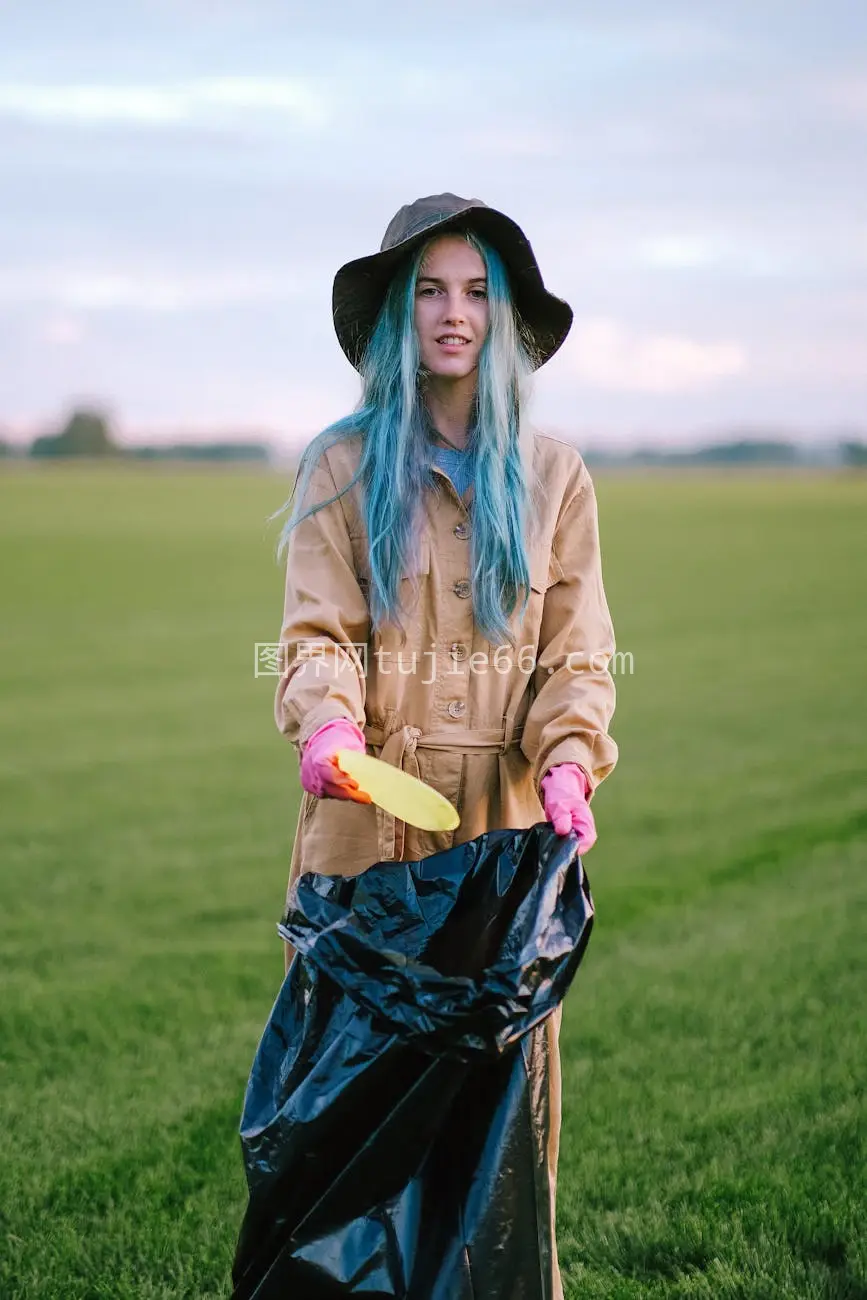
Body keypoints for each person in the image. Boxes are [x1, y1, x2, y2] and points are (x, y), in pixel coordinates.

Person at [271, 192, 619, 1298]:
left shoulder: (556, 477)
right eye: (430, 290)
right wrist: (328, 722)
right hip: (363, 840)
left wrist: (569, 757)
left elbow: (577, 653)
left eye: (476, 291)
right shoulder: (339, 465)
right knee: (346, 1146)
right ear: (397, 315)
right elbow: (315, 634)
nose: (453, 313)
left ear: (505, 317)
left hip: (501, 857)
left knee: (494, 1156)